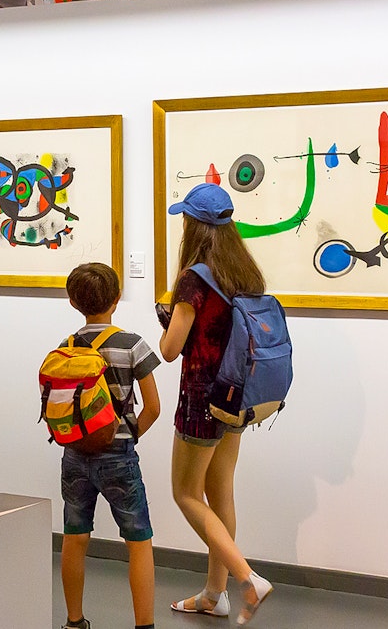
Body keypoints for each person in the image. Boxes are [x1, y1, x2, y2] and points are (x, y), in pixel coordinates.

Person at [158, 182, 274, 626]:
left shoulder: (193, 280)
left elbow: (171, 350)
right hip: (237, 399)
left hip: (201, 401)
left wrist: (169, 317)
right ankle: (214, 594)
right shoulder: (245, 273)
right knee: (220, 491)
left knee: (186, 493)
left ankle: (246, 579)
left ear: (193, 226)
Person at [59, 262, 162, 629]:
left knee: (74, 537)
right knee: (138, 542)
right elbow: (153, 407)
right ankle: (144, 625)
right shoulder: (132, 344)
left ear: (73, 303)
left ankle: (74, 621)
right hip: (118, 457)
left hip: (74, 455)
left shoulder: (66, 348)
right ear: (117, 299)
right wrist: (127, 437)